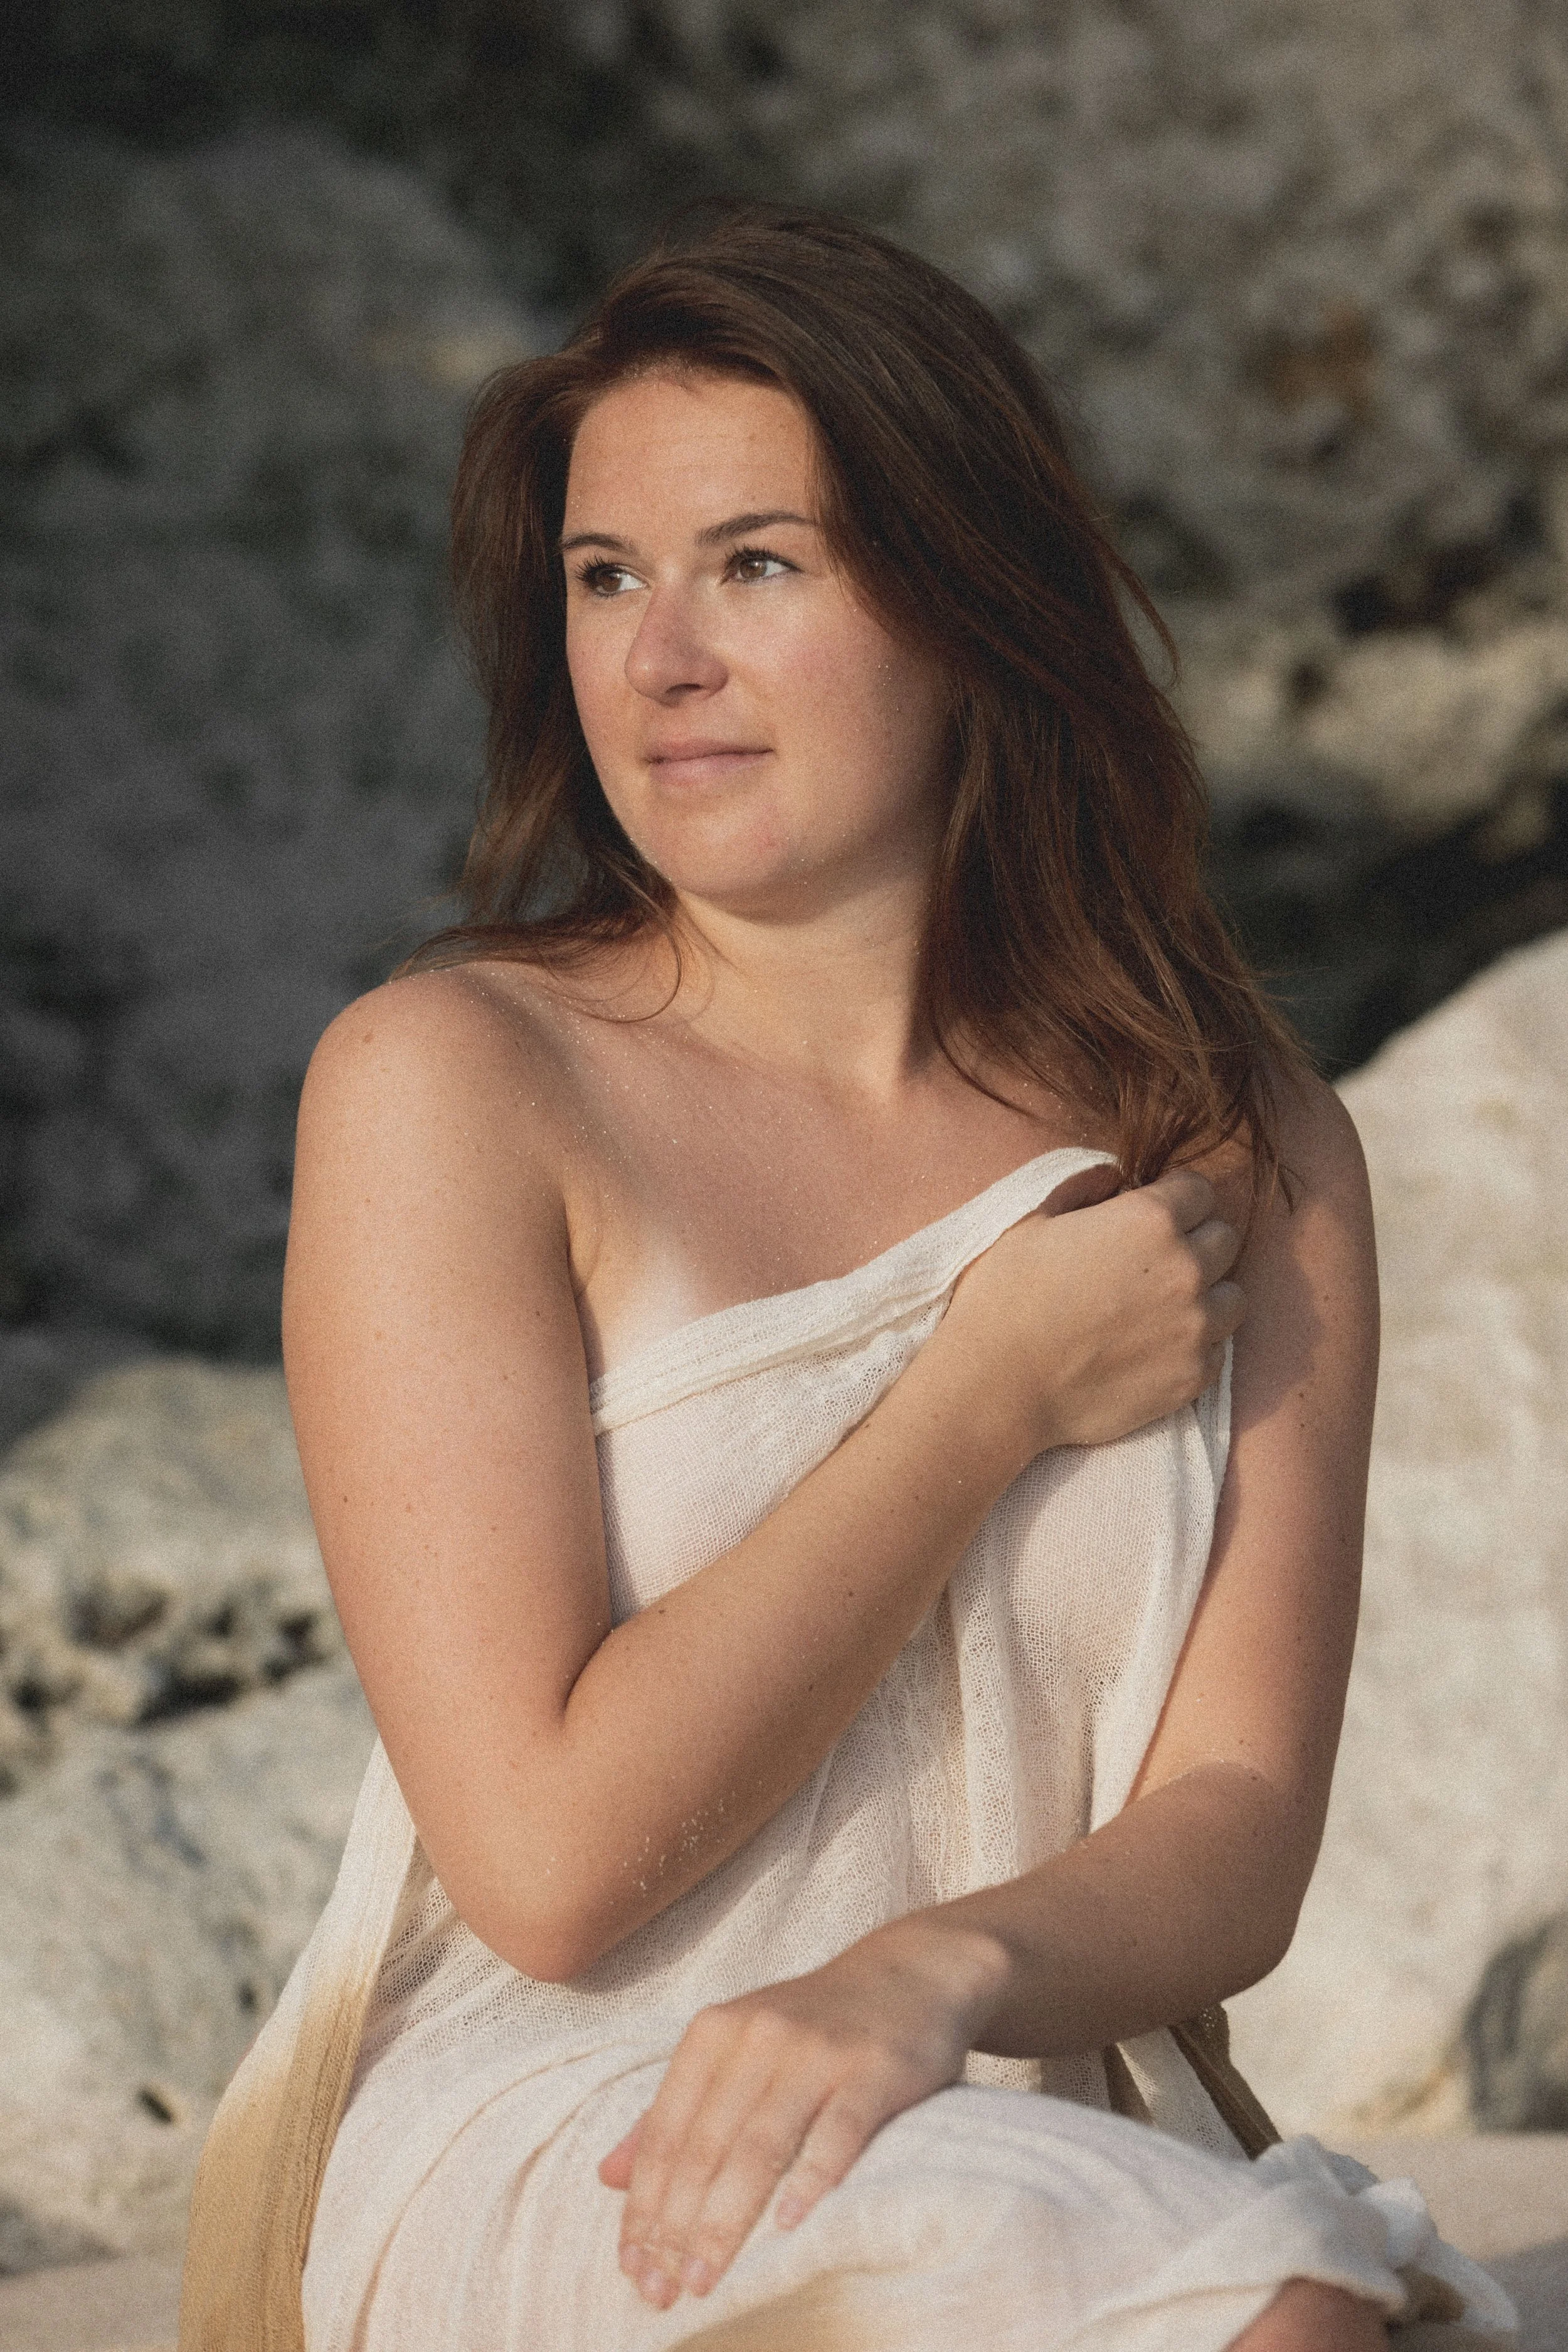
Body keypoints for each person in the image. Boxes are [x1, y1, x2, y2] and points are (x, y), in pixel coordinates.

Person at [177, 208, 1515, 2352]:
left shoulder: (1229, 1130)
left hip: (1018, 2089)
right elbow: (541, 1860)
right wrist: (979, 1399)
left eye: (757, 563)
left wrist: (933, 1970)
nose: (658, 655)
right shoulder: (456, 1082)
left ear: (973, 607)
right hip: (573, 2113)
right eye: (604, 576)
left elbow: (1234, 1831)